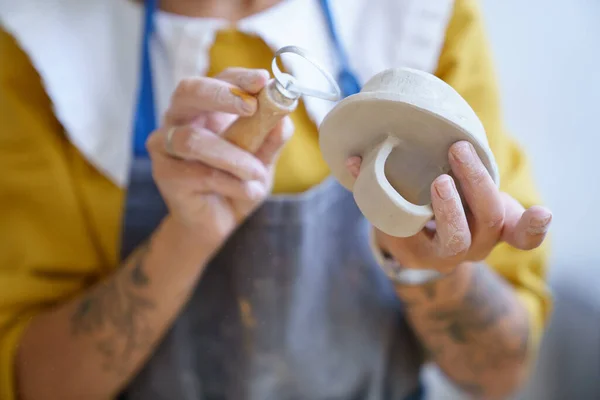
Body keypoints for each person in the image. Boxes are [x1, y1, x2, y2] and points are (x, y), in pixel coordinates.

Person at [0, 0, 553, 399]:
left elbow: (500, 375)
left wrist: (432, 270)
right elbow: (37, 385)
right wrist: (186, 237)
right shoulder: (39, 50)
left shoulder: (417, 18)